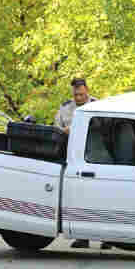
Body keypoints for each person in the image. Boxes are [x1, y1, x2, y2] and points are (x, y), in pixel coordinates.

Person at [54, 77, 96, 249]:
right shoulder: (65, 108)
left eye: (81, 94)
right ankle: (82, 237)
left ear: (87, 90)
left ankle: (106, 239)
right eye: (75, 94)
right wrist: (65, 131)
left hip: (93, 157)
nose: (78, 98)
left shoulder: (97, 106)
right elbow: (56, 129)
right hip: (70, 157)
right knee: (78, 199)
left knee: (97, 198)